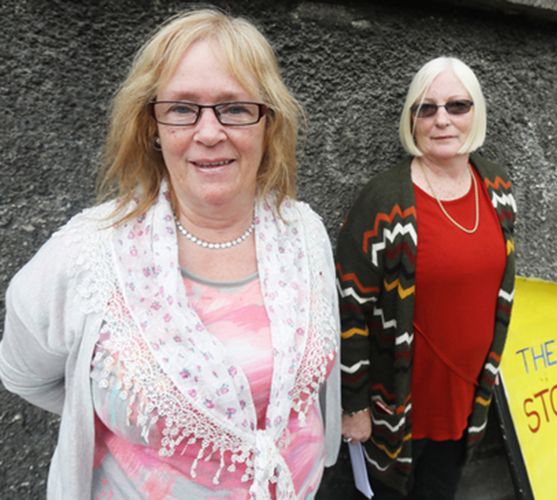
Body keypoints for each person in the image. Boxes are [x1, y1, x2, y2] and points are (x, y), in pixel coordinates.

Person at [0, 9, 340, 499]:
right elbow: (26, 375)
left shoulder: (303, 231)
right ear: (152, 126)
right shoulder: (88, 256)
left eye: (235, 107)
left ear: (269, 121)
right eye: (182, 108)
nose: (208, 132)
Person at [336, 56, 517, 499]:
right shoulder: (384, 200)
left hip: (465, 400)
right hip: (394, 406)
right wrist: (354, 405)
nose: (442, 120)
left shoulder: (496, 187)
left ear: (476, 114)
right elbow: (348, 306)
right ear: (411, 119)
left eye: (457, 106)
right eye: (426, 108)